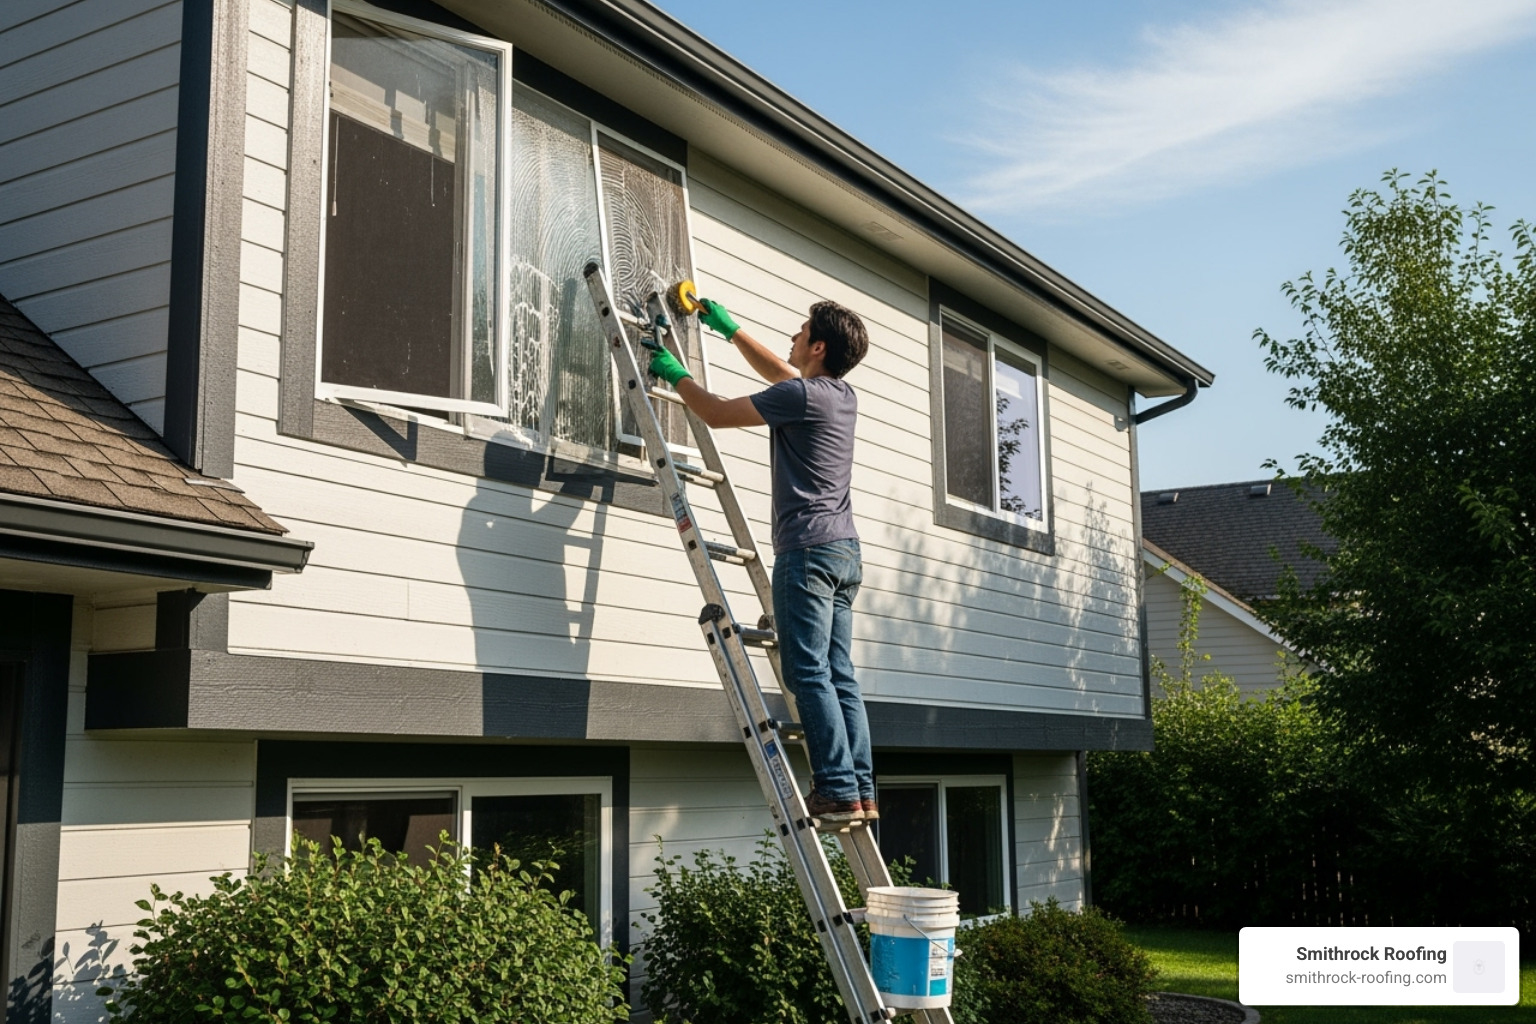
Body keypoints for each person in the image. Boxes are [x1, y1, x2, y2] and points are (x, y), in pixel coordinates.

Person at [646, 296, 874, 828]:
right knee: (840, 674)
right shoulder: (839, 395)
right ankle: (859, 788)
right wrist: (730, 330)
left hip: (809, 551)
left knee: (806, 671)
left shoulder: (801, 394)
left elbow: (717, 413)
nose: (792, 338)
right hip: (845, 551)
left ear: (818, 346)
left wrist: (675, 373)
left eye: (800, 332)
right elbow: (783, 373)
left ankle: (837, 788)